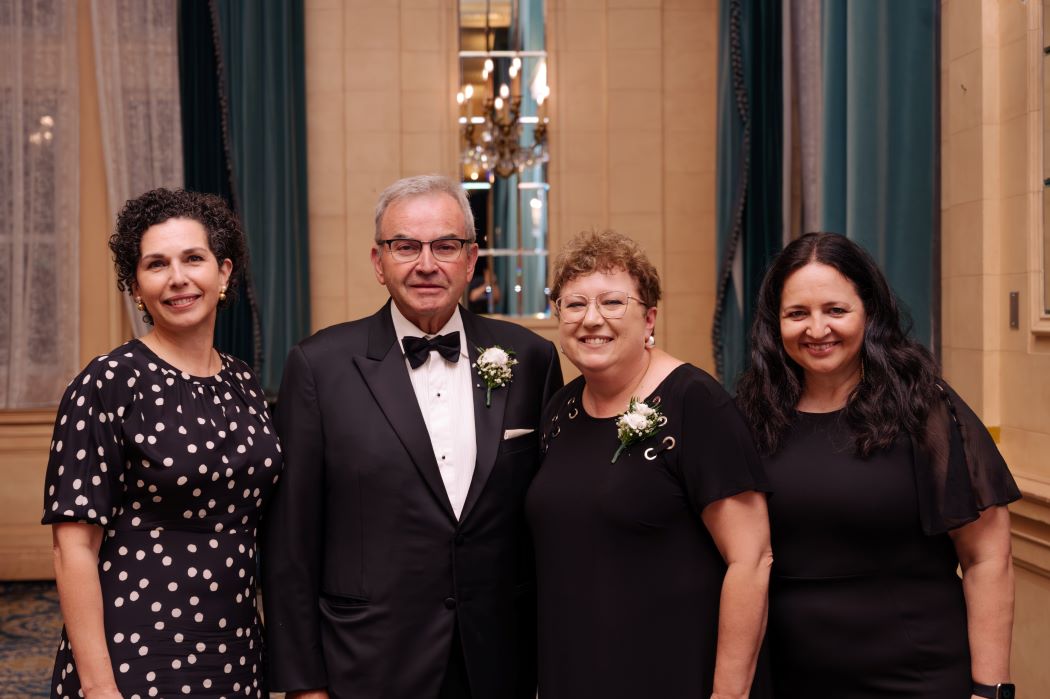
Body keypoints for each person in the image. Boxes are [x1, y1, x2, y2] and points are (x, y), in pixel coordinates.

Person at [263, 174, 562, 699]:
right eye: (406, 246)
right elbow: (292, 542)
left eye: (445, 246)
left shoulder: (530, 359)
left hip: (500, 660)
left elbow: (550, 522)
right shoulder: (319, 366)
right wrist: (303, 682)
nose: (427, 264)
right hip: (367, 661)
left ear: (471, 260)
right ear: (379, 263)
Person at [735, 232, 1021, 699]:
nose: (817, 329)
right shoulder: (751, 415)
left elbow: (987, 556)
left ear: (869, 313)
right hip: (788, 676)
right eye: (797, 314)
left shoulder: (922, 409)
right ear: (775, 322)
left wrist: (990, 691)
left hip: (915, 677)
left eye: (835, 310)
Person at [42, 188, 282, 699]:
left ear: (224, 273)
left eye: (193, 259)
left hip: (237, 645)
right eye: (156, 264)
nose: (178, 278)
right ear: (135, 287)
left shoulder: (243, 382)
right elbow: (73, 549)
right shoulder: (108, 382)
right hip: (136, 651)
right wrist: (99, 685)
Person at [526, 230, 773, 699]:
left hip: (671, 672)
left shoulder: (695, 403)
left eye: (613, 303)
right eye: (574, 305)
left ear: (649, 318)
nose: (591, 319)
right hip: (573, 671)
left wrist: (729, 695)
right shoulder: (560, 409)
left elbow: (752, 560)